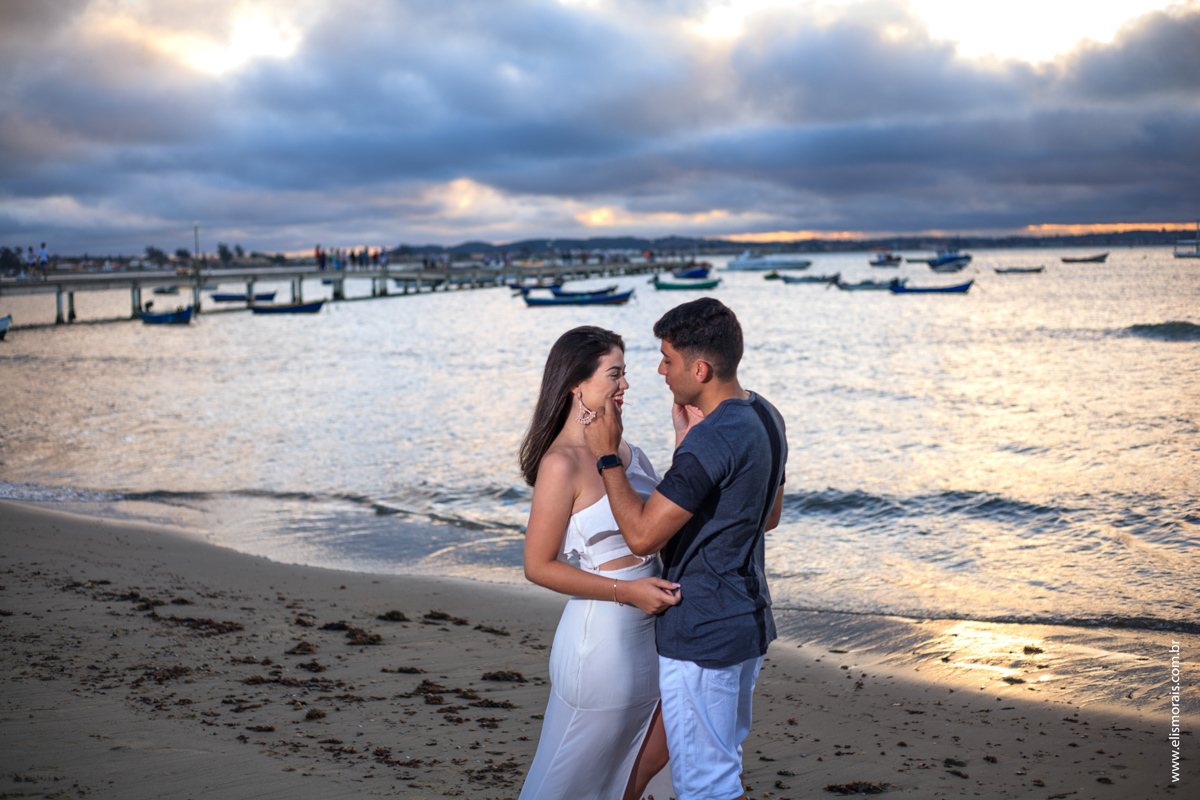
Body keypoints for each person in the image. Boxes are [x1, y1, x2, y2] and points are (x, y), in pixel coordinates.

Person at [583, 298, 787, 800]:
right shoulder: (765, 414)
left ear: (700, 369)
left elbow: (641, 536)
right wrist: (685, 452)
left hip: (704, 631)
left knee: (705, 785)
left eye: (667, 359)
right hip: (747, 620)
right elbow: (769, 516)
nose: (659, 370)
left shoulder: (712, 439)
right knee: (722, 765)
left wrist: (607, 455)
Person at [519, 325, 685, 800]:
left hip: (651, 640)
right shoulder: (561, 465)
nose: (625, 386)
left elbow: (660, 528)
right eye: (615, 375)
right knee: (575, 774)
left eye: (625, 374)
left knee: (640, 769)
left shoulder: (629, 453)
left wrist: (683, 445)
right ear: (577, 383)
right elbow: (538, 565)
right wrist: (627, 591)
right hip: (600, 647)